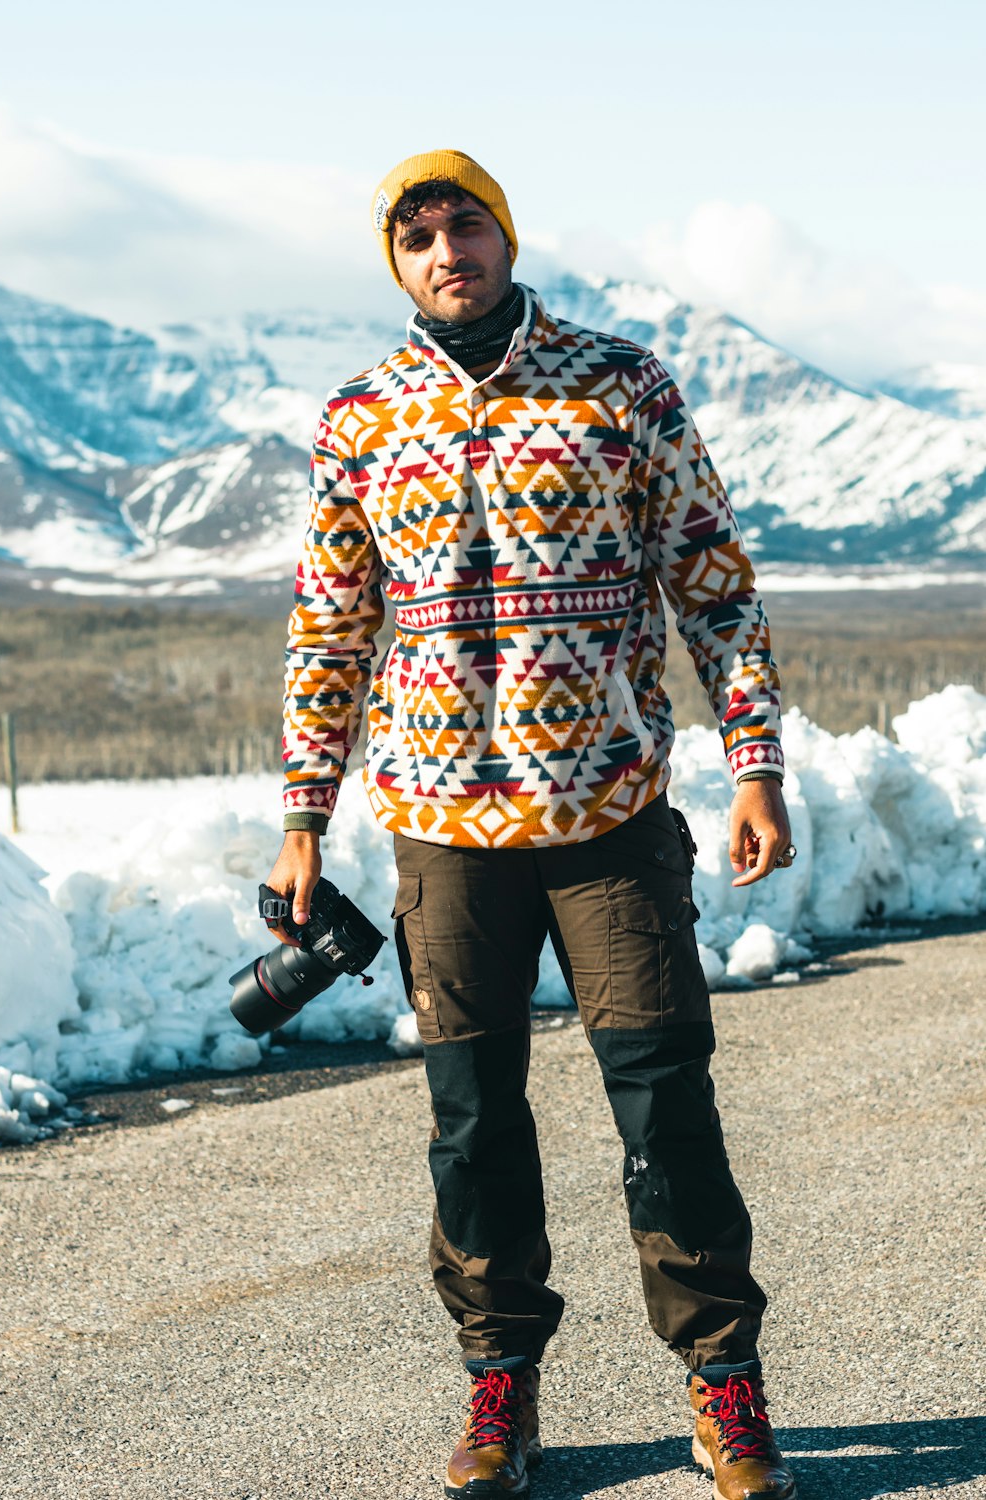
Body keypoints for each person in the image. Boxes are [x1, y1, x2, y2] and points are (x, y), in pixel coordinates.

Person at [266, 148, 797, 1500]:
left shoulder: (624, 387)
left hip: (611, 814)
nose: (450, 250)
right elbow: (329, 628)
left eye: (469, 224)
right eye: (421, 234)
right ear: (397, 262)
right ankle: (499, 1387)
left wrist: (755, 765)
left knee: (664, 1101)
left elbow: (715, 589)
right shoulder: (361, 418)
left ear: (506, 237)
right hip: (441, 833)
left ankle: (724, 1389)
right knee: (471, 1119)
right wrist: (304, 817)